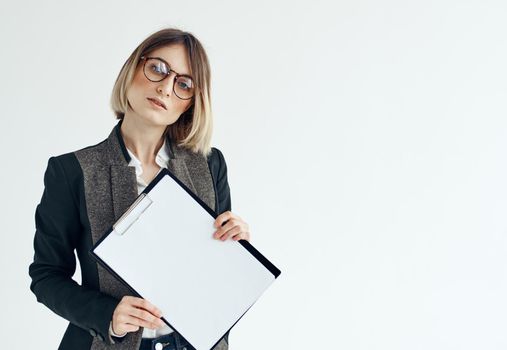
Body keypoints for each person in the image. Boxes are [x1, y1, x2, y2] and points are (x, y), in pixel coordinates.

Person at [29, 27, 251, 350]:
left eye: (184, 84)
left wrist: (237, 248)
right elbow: (46, 276)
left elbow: (218, 282)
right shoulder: (71, 172)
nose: (165, 88)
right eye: (158, 68)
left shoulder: (209, 165)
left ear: (190, 103)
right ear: (133, 68)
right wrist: (108, 316)